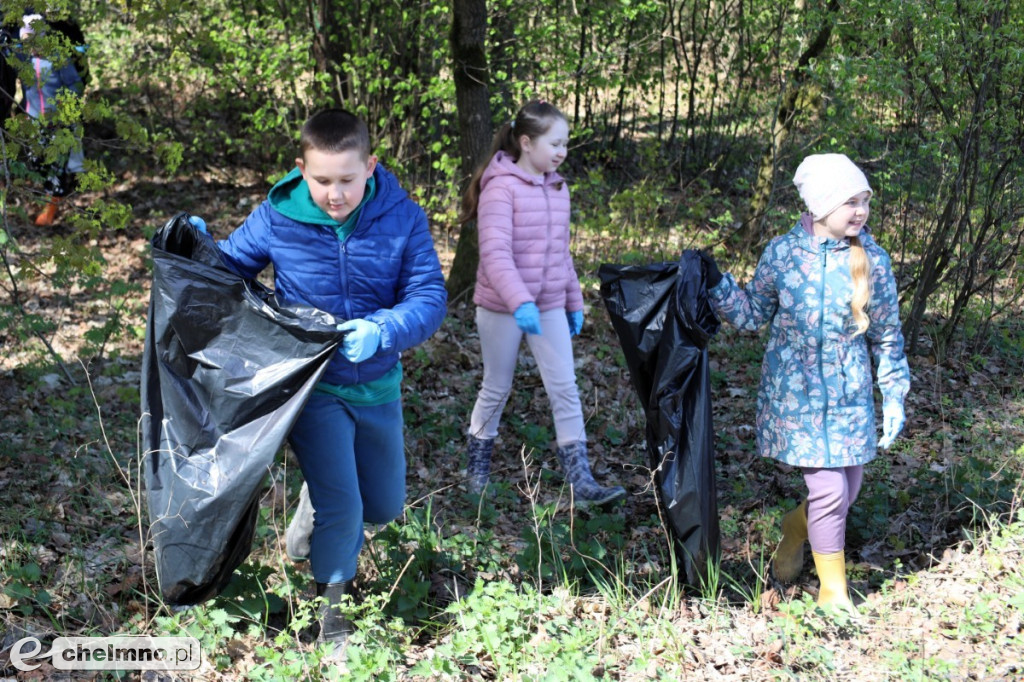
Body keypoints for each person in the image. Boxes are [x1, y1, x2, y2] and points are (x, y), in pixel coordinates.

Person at [193, 108, 447, 657]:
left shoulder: (402, 218)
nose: (335, 194)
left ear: (371, 167)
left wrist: (383, 329)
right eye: (323, 180)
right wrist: (197, 251)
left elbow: (429, 299)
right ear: (301, 170)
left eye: (348, 180)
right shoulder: (277, 217)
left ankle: (314, 508)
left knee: (381, 506)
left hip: (378, 383)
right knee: (346, 509)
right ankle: (331, 621)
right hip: (314, 389)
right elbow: (228, 271)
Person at [700, 153, 910, 612]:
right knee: (830, 493)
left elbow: (888, 333)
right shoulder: (782, 254)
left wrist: (893, 393)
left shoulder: (872, 259)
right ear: (820, 206)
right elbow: (752, 314)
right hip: (794, 399)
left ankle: (795, 528)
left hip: (850, 399)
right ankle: (834, 595)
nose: (860, 211)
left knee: (846, 493)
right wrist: (717, 283)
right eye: (849, 202)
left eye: (864, 201)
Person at [458, 99, 626, 508]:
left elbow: (561, 253)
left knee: (565, 387)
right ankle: (476, 474)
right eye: (555, 143)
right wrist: (519, 302)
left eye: (565, 143)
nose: (562, 151)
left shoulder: (559, 187)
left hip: (548, 303)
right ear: (526, 142)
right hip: (502, 308)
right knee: (496, 387)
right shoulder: (500, 187)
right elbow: (495, 253)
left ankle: (581, 482)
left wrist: (573, 302)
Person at [14, 11, 89, 226]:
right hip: (34, 123)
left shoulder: (58, 61)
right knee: (37, 162)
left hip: (57, 124)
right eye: (25, 42)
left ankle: (50, 210)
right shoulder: (24, 60)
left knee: (55, 166)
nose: (30, 46)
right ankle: (48, 198)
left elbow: (75, 86)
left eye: (33, 41)